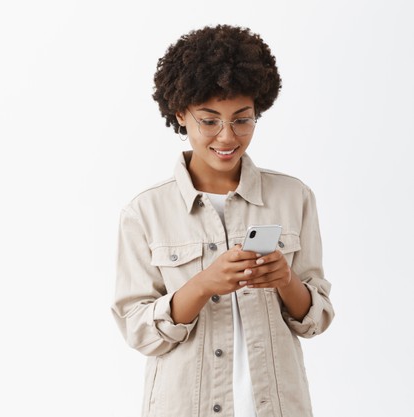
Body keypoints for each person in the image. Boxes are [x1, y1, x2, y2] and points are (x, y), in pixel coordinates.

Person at [111, 24, 334, 417]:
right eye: (209, 120)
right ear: (181, 114)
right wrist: (202, 285)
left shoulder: (293, 198)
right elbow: (139, 330)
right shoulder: (144, 213)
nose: (227, 137)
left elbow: (314, 320)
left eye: (242, 119)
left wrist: (285, 280)